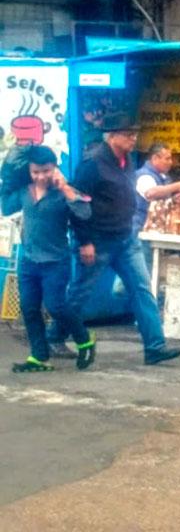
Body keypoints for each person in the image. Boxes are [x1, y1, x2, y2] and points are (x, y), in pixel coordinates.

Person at [68, 112, 180, 366]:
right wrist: (85, 241)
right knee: (79, 294)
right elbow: (76, 204)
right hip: (98, 241)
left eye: (135, 134)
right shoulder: (92, 164)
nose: (134, 139)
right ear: (112, 137)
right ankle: (53, 336)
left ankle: (155, 346)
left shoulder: (127, 160)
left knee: (142, 289)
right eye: (128, 134)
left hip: (126, 238)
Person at [2, 145, 96, 372]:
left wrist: (65, 188)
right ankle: (39, 356)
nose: (41, 176)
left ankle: (84, 340)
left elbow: (85, 213)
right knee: (29, 307)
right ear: (29, 171)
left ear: (54, 168)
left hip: (56, 261)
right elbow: (6, 208)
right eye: (35, 172)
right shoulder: (24, 190)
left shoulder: (63, 192)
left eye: (46, 171)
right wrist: (7, 180)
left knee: (56, 305)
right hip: (29, 260)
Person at [133, 142, 180, 232]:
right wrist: (178, 186)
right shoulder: (144, 175)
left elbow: (159, 202)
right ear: (155, 158)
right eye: (167, 159)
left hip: (155, 230)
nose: (170, 162)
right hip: (140, 229)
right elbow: (151, 193)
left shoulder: (163, 177)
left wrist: (173, 200)